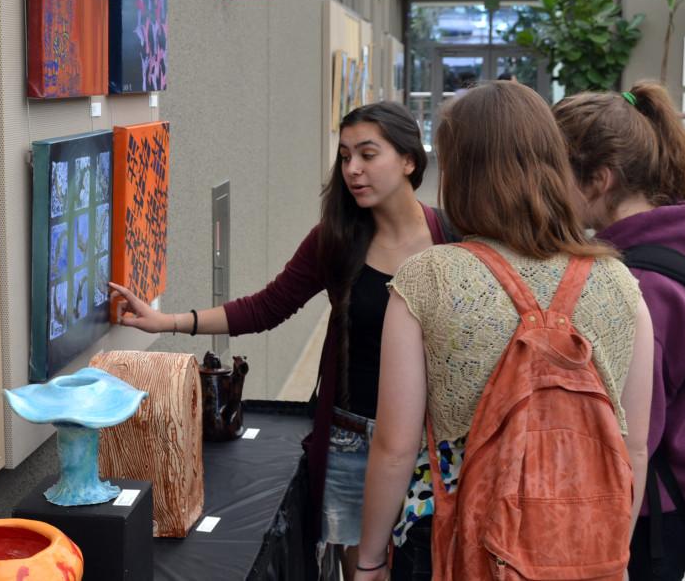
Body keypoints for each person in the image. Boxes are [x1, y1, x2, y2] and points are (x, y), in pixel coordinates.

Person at [109, 101, 456, 580]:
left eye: (368, 154)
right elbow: (266, 307)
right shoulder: (336, 239)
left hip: (433, 442)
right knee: (365, 573)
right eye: (345, 155)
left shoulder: (454, 239)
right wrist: (167, 320)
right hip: (352, 442)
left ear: (409, 160)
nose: (353, 169)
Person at [355, 81, 654, 580]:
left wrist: (367, 562)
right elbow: (634, 447)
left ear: (461, 170)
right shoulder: (620, 283)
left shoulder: (429, 277)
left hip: (449, 544)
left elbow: (395, 447)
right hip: (579, 544)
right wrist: (608, 551)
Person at [554, 81, 685, 581]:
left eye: (556, 173)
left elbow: (629, 439)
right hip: (669, 507)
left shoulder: (638, 285)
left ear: (599, 179)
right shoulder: (676, 250)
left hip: (640, 520)